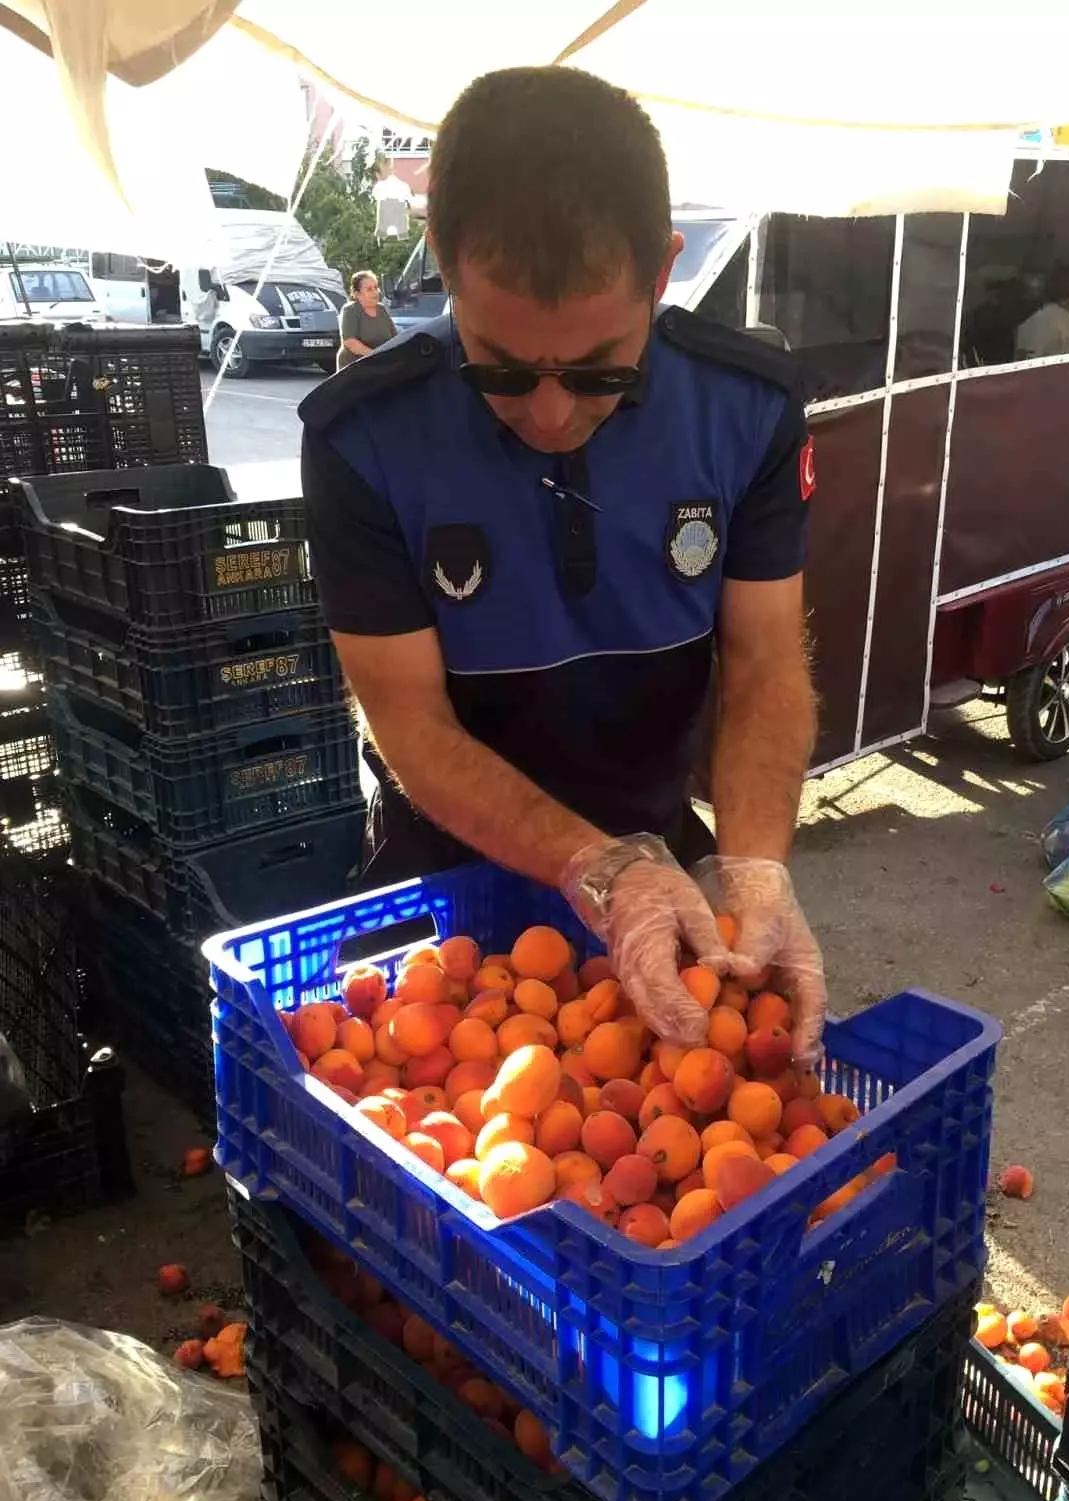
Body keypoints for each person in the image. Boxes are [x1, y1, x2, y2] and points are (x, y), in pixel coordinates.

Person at [300, 66, 824, 1062]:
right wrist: (598, 870)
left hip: (666, 858)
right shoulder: (361, 440)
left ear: (664, 272)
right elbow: (408, 720)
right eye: (498, 365)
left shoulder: (745, 412)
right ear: (443, 265)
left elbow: (762, 665)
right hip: (443, 885)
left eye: (595, 369)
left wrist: (753, 865)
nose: (547, 413)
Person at [336, 269, 397, 370]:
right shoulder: (350, 310)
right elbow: (350, 342)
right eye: (369, 289)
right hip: (353, 369)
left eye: (376, 287)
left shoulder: (381, 309)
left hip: (380, 366)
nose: (375, 292)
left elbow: (394, 338)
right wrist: (376, 356)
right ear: (357, 294)